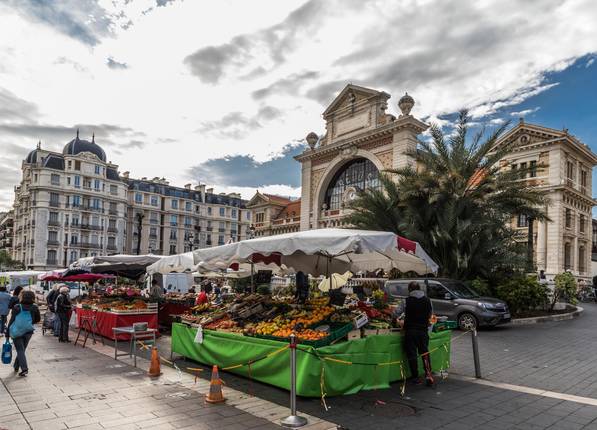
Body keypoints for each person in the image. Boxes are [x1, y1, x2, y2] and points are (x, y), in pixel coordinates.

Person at [403, 281, 434, 387]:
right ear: (419, 289)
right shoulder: (428, 300)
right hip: (423, 331)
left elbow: (396, 313)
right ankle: (428, 374)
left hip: (410, 331)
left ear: (410, 290)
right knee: (425, 353)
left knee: (412, 354)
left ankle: (415, 378)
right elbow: (431, 316)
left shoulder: (406, 301)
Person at [7, 290, 40, 376]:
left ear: (22, 297)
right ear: (33, 297)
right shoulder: (35, 307)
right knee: (22, 350)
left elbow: (11, 321)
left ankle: (24, 369)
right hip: (28, 331)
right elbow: (38, 320)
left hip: (17, 331)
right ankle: (16, 366)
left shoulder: (17, 307)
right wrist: (30, 322)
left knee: (20, 350)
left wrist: (7, 333)